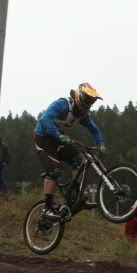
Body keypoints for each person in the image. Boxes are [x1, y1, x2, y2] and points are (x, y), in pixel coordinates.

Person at [33, 82, 106, 217]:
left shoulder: (82, 115)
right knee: (54, 169)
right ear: (79, 97)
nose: (87, 106)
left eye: (90, 104)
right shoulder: (62, 105)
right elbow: (44, 119)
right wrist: (59, 135)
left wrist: (101, 144)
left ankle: (74, 197)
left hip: (58, 139)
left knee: (80, 161)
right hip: (43, 139)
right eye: (86, 102)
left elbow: (94, 129)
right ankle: (47, 207)